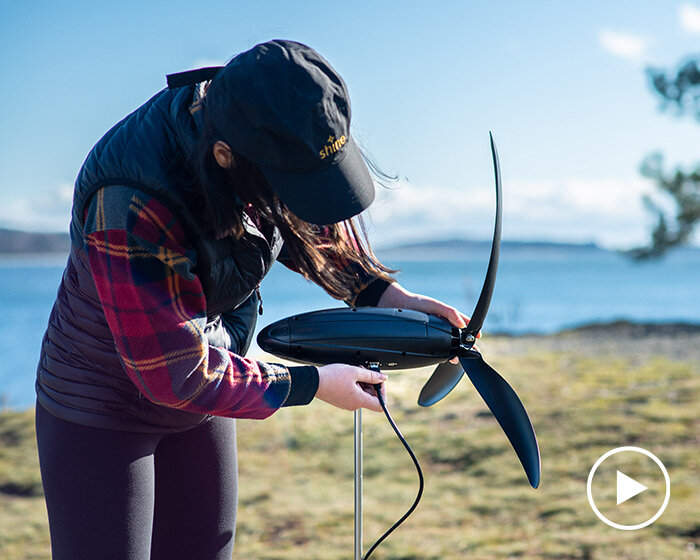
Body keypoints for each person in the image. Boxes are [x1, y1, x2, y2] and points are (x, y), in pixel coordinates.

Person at [35, 39, 470, 560]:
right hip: (103, 405)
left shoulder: (271, 117)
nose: (298, 201)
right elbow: (172, 373)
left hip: (204, 382)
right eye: (290, 185)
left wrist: (382, 292)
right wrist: (312, 382)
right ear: (225, 159)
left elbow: (308, 219)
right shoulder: (131, 200)